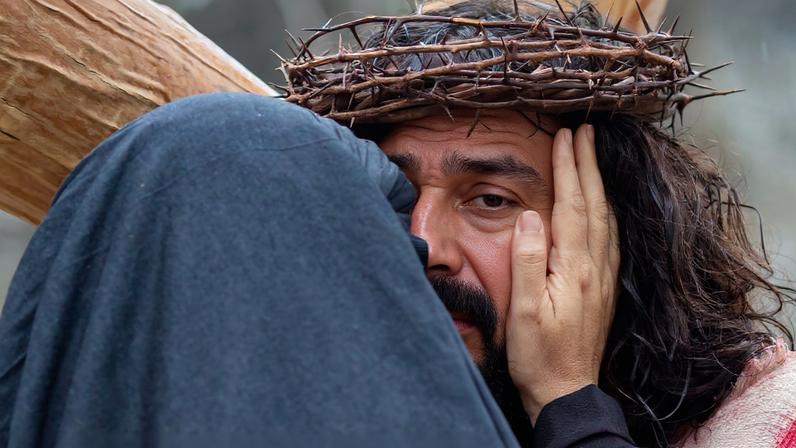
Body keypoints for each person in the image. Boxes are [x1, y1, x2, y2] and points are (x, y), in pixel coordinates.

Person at [0, 2, 791, 448]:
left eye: (491, 200)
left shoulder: (765, 424)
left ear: (611, 243)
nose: (423, 244)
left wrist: (569, 403)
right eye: (388, 187)